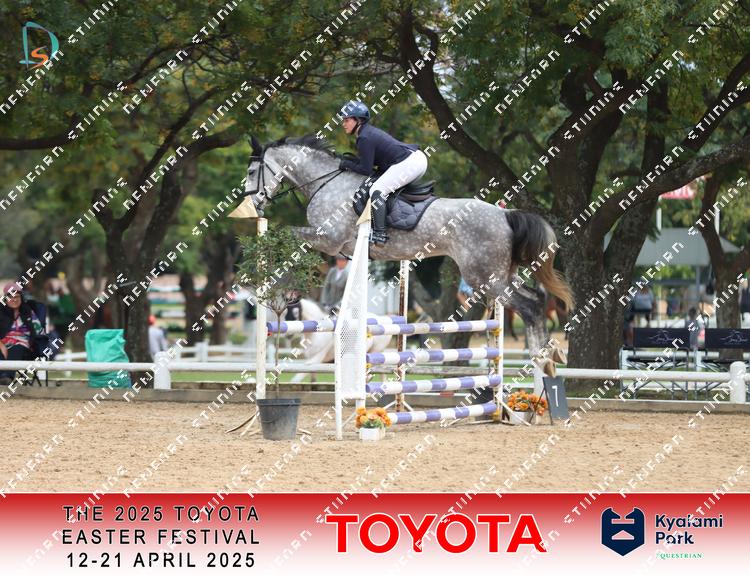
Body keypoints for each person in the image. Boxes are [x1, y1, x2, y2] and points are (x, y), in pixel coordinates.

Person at [338, 100, 428, 245]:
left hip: (411, 163)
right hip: (415, 159)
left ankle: (380, 234)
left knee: (377, 190)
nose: (343, 124)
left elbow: (366, 169)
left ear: (358, 120)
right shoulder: (367, 132)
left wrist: (346, 164)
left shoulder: (364, 137)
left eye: (347, 120)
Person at [0, 282, 45, 379]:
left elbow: (39, 332)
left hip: (24, 346)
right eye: (11, 297)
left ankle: (6, 377)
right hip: (3, 343)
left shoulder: (28, 312)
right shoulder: (1, 313)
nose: (14, 299)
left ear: (21, 298)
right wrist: (2, 345)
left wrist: (35, 344)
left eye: (17, 297)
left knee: (17, 348)